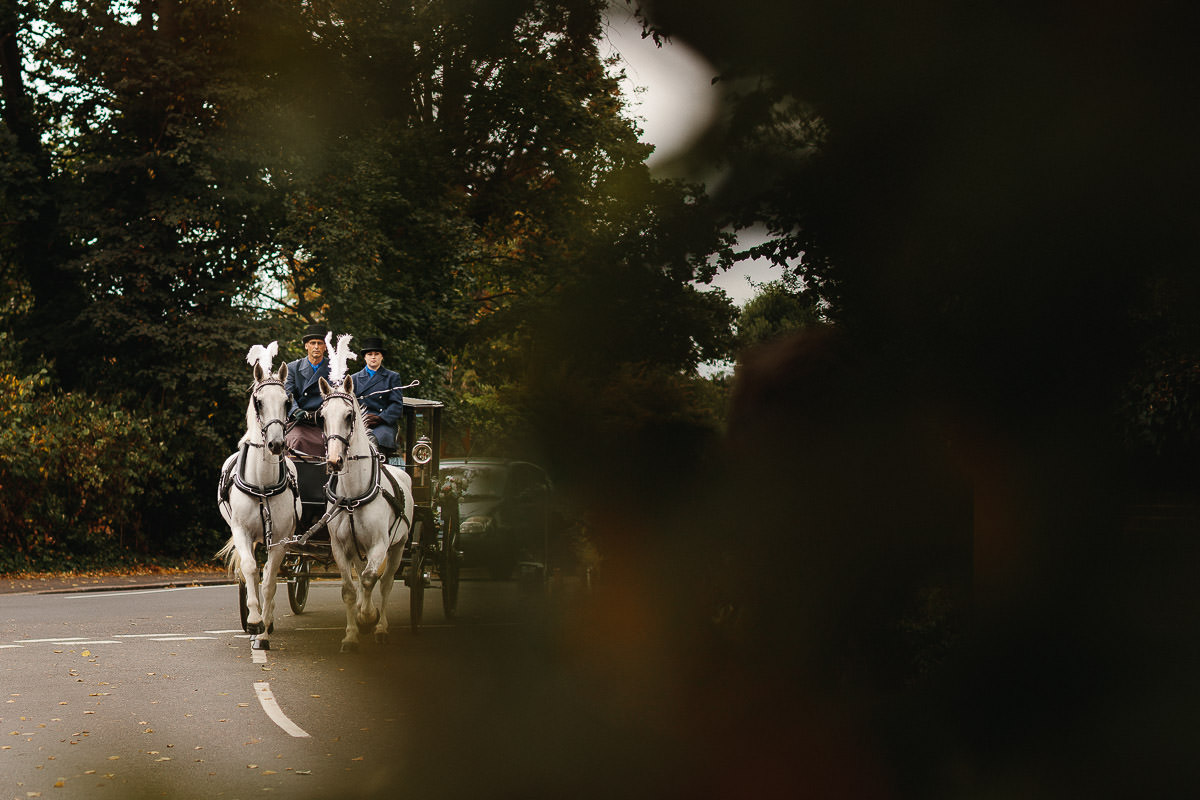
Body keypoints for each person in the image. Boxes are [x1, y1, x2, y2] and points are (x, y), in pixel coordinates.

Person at [350, 336, 404, 456]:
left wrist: (380, 418)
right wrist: (359, 418)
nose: (373, 357)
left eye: (377, 353)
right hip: (360, 422)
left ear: (382, 356)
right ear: (365, 357)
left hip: (383, 423)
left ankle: (380, 469)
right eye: (369, 354)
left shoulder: (392, 377)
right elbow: (349, 403)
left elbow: (396, 405)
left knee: (379, 438)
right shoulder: (354, 378)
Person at [284, 323, 330, 457]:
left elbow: (337, 395)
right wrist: (295, 410)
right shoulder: (292, 368)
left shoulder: (334, 368)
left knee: (333, 444)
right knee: (297, 440)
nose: (316, 347)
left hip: (323, 421)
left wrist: (321, 413)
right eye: (312, 343)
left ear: (325, 347)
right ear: (306, 346)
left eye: (320, 343)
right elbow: (287, 394)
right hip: (299, 421)